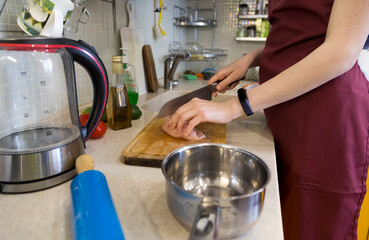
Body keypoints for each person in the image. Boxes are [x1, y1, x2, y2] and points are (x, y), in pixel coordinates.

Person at [168, 0, 369, 239]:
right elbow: (299, 34)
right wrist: (251, 58)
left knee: (313, 228)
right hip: (287, 122)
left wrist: (235, 106)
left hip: (325, 124)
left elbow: (340, 52)